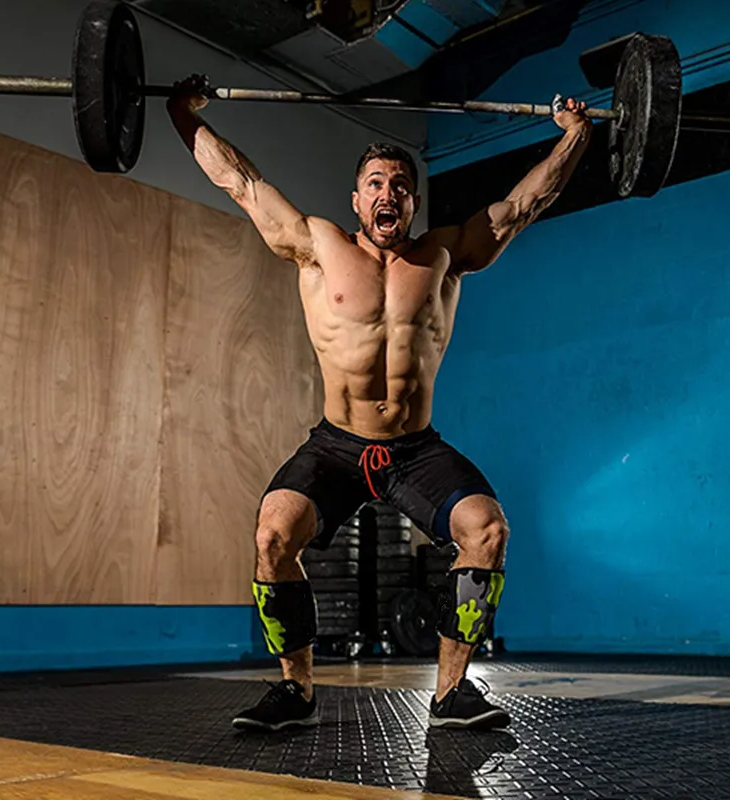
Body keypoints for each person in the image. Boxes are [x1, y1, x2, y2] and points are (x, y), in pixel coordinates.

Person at [165, 76, 592, 731]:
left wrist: (575, 137)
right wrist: (181, 113)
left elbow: (524, 204)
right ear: (357, 199)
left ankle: (451, 693)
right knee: (272, 534)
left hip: (414, 449)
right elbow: (240, 183)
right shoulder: (317, 245)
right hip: (337, 446)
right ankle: (295, 691)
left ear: (412, 200)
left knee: (487, 531)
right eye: (374, 183)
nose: (387, 193)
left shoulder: (444, 254)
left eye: (399, 184)